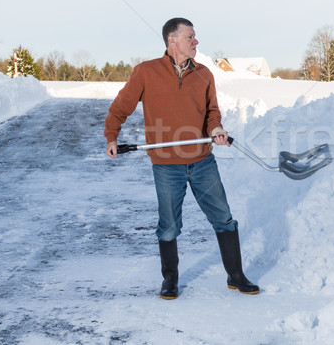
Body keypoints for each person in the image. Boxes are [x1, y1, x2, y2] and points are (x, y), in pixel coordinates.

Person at [104, 18, 259, 299]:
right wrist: (111, 136)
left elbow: (212, 111)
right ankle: (170, 279)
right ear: (172, 40)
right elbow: (120, 107)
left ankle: (236, 276)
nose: (195, 42)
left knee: (223, 218)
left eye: (195, 37)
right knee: (169, 224)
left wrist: (216, 129)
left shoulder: (204, 74)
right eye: (190, 37)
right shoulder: (146, 72)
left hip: (202, 161)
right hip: (166, 165)